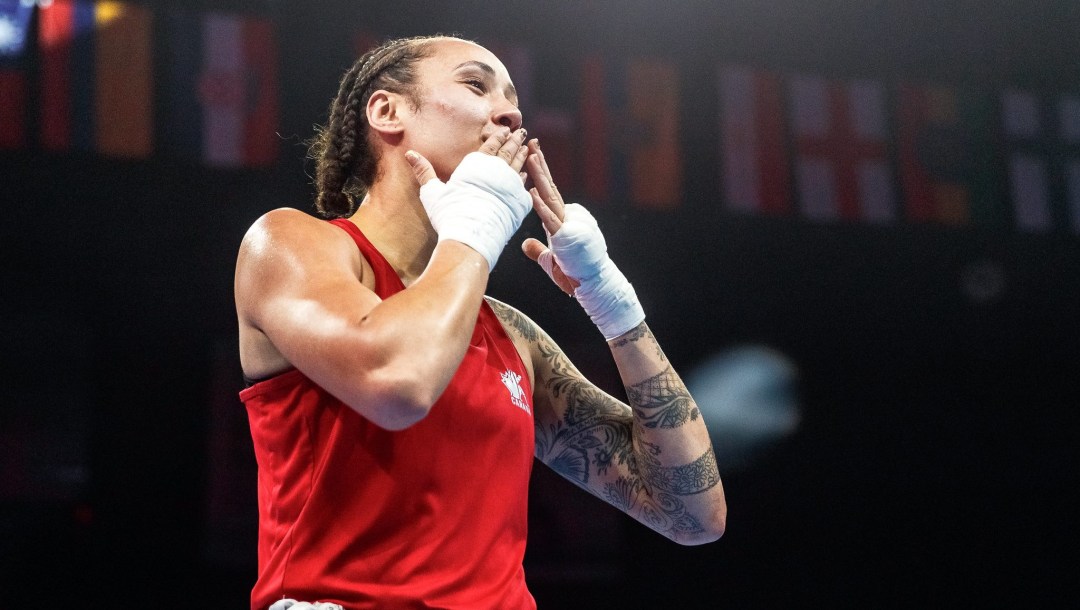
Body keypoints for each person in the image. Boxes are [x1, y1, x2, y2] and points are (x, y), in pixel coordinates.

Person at [234, 34, 726, 610]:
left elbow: (692, 514)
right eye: (476, 83)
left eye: (514, 97)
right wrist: (475, 228)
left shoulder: (511, 335)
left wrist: (614, 305)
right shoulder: (290, 245)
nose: (512, 112)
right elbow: (398, 382)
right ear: (387, 111)